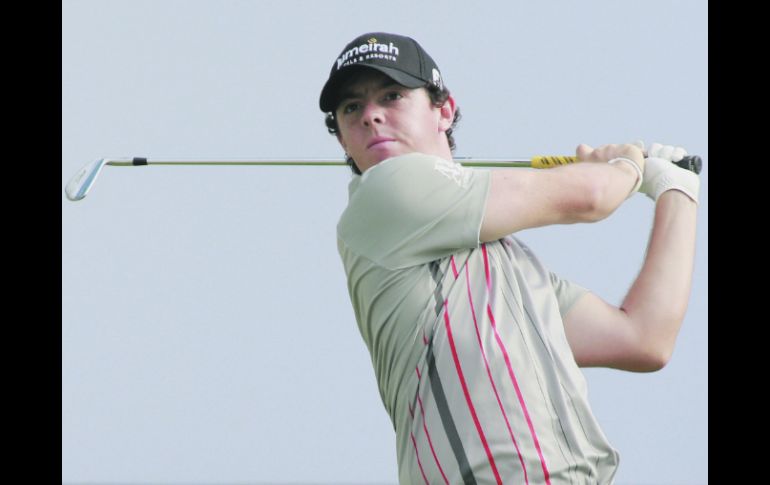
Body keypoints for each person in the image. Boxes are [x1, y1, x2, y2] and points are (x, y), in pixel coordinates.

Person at [319, 32, 699, 484]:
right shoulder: (385, 193)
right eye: (351, 108)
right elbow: (593, 197)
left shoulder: (508, 266)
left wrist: (677, 190)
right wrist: (627, 164)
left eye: (392, 96)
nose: (371, 115)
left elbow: (644, 339)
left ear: (444, 110)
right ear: (343, 141)